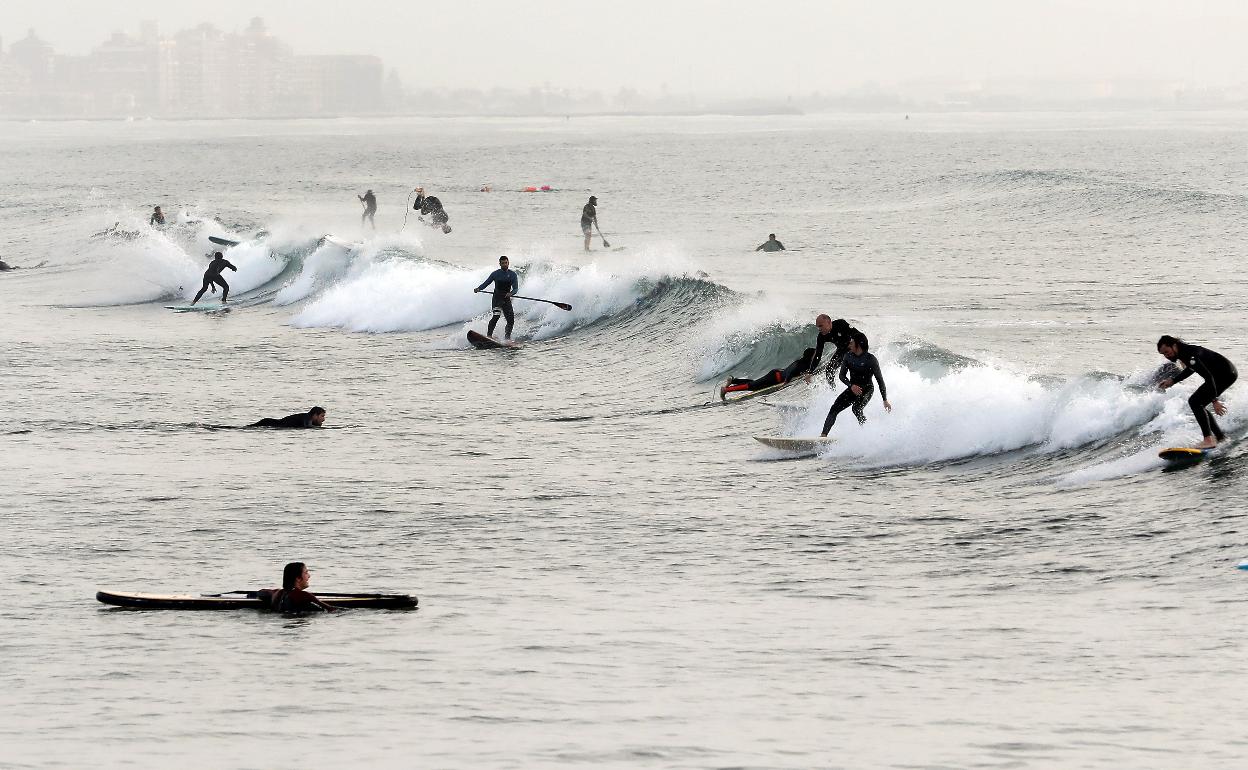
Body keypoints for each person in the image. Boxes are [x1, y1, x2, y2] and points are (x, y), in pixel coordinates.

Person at [1157, 335, 1238, 448]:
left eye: (1167, 351)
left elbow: (1208, 378)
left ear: (1174, 345)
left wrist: (1215, 401)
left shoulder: (1189, 354)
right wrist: (1173, 380)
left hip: (1224, 374)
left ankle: (1208, 440)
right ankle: (1220, 437)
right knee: (1198, 404)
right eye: (1164, 354)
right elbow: (1191, 369)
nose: (1167, 356)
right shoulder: (1184, 352)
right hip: (1223, 373)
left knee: (1195, 402)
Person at [821, 331, 892, 437]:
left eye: (852, 342)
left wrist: (885, 400)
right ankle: (823, 435)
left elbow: (880, 380)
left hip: (867, 389)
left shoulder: (871, 360)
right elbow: (842, 376)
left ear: (858, 344)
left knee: (856, 408)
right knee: (834, 408)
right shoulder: (848, 356)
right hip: (852, 388)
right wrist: (851, 386)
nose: (849, 344)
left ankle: (866, 432)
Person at [720, 348, 816, 399]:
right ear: (810, 356)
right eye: (814, 355)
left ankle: (733, 381)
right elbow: (791, 372)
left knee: (755, 384)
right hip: (775, 377)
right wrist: (785, 383)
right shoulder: (801, 364)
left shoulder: (802, 362)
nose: (816, 356)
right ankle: (726, 390)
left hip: (776, 374)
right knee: (752, 385)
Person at [474, 256, 519, 341]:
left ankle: (507, 339)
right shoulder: (495, 274)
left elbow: (516, 288)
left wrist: (511, 293)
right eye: (503, 263)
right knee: (496, 316)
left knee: (511, 321)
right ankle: (489, 336)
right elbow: (486, 283)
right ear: (500, 264)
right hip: (497, 299)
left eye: (506, 263)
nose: (505, 264)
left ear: (508, 263)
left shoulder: (513, 275)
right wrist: (479, 288)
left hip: (506, 300)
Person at [804, 315, 857, 384]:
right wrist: (810, 372)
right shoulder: (821, 336)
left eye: (821, 326)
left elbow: (857, 334)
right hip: (841, 351)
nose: (819, 329)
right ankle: (833, 390)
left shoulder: (840, 324)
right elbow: (818, 354)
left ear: (829, 323)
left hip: (853, 348)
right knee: (829, 369)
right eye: (818, 327)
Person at [266, 562, 335, 613]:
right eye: (306, 573)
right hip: (297, 621)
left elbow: (261, 592)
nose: (309, 576)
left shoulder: (278, 593)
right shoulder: (304, 595)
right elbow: (331, 610)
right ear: (298, 578)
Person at [247, 406, 327, 429]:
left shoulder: (307, 418)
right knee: (248, 428)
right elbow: (308, 426)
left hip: (271, 423)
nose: (323, 419)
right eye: (322, 416)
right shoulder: (307, 417)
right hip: (269, 423)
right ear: (315, 415)